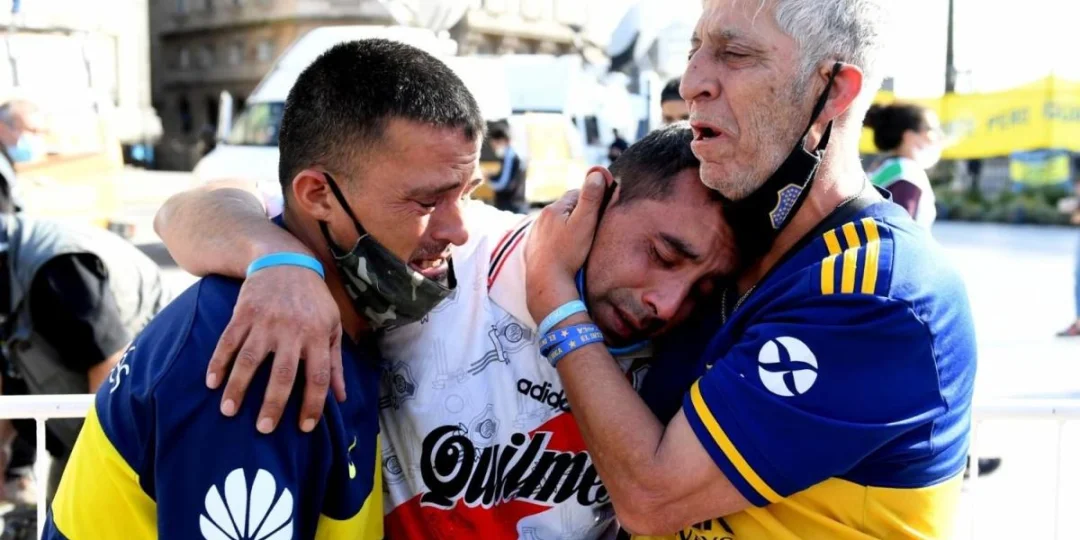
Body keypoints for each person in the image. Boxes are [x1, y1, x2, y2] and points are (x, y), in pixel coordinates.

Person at [517, 0, 975, 537]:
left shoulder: (878, 293)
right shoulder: (731, 248)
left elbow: (651, 497)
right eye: (694, 50)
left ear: (833, 91)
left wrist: (555, 299)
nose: (691, 83)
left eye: (733, 54)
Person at [152, 123, 738, 538]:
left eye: (704, 287)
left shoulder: (692, 353)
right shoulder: (447, 249)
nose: (667, 303)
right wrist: (280, 260)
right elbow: (189, 209)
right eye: (662, 254)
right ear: (599, 194)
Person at [43, 39, 484, 539]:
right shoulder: (261, 354)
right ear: (317, 195)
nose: (459, 230)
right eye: (426, 202)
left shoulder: (344, 306)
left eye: (467, 193)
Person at [0, 213, 168, 507]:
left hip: (141, 405)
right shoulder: (10, 268)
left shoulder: (60, 270)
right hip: (89, 405)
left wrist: (92, 473)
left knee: (80, 505)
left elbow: (111, 366)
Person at [864, 102, 944, 229]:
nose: (939, 136)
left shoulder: (885, 167)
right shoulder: (908, 173)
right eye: (932, 129)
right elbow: (901, 231)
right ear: (909, 136)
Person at [0, 99, 45, 212]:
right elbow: (6, 220)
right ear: (2, 128)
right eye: (32, 131)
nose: (36, 137)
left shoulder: (6, 160)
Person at [486, 123, 526, 213]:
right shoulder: (513, 154)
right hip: (514, 205)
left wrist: (488, 178)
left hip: (511, 206)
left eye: (494, 145)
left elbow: (503, 183)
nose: (494, 149)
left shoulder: (510, 156)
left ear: (502, 141)